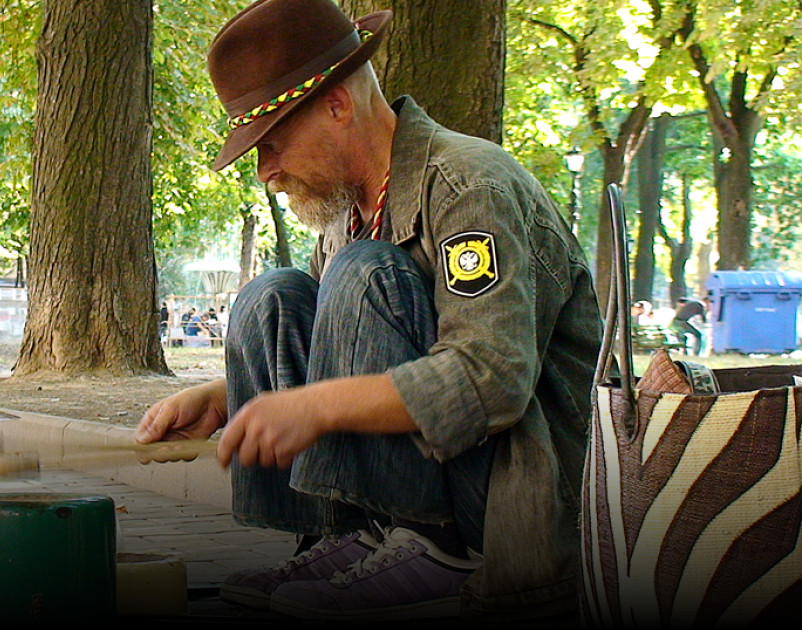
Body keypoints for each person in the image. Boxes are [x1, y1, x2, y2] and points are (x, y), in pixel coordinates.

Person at [135, 0, 602, 623]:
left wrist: (317, 405)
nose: (267, 173)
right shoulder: (345, 213)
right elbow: (341, 346)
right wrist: (223, 399)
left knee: (363, 272)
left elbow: (493, 378)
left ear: (336, 105)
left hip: (510, 494)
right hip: (432, 482)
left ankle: (433, 548)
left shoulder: (469, 185)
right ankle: (346, 537)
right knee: (272, 296)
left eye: (271, 144)